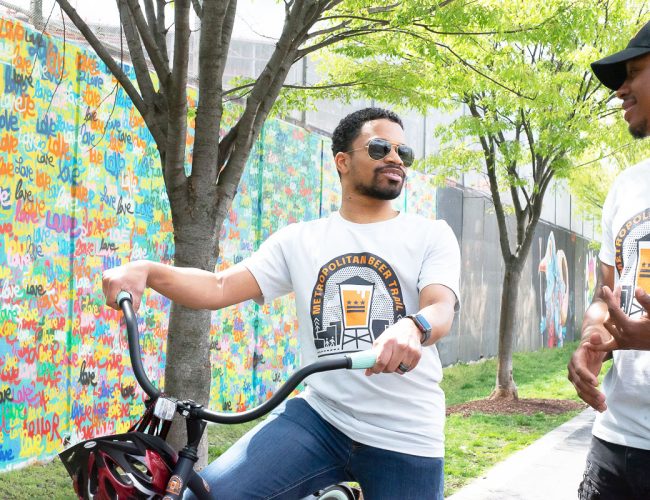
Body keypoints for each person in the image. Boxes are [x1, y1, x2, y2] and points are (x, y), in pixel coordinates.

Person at [103, 107, 461, 499]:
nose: (395, 158)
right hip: (323, 418)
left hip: (406, 432)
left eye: (403, 152)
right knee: (207, 496)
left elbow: (440, 307)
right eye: (380, 148)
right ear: (342, 161)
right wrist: (148, 272)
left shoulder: (430, 234)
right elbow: (219, 287)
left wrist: (414, 326)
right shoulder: (301, 240)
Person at [568, 20, 650, 500]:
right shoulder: (626, 185)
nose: (620, 89)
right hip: (616, 441)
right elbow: (606, 296)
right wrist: (591, 339)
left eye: (633, 71)